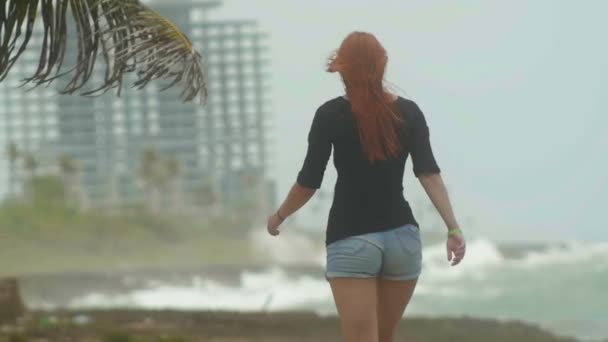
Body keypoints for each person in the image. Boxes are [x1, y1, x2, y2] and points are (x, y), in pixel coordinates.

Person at [266, 31, 466, 342]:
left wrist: (278, 217)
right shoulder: (409, 112)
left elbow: (308, 183)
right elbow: (429, 174)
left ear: (342, 69)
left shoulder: (329, 115)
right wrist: (453, 228)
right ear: (382, 65)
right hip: (403, 240)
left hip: (352, 239)